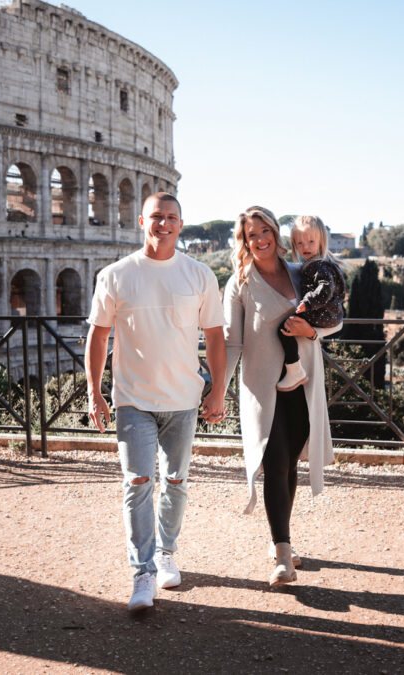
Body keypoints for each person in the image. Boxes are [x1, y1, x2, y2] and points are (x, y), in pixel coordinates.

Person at [85, 192, 226, 613]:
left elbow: (216, 336)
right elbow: (98, 336)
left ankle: (167, 552)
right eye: (156, 217)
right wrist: (95, 392)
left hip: (184, 398)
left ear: (181, 224)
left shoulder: (200, 275)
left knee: (177, 481)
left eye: (171, 217)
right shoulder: (116, 275)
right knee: (137, 482)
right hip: (133, 399)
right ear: (142, 222)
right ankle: (142, 572)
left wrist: (217, 389)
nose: (164, 224)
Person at [222, 206, 341, 586]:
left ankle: (282, 542)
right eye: (250, 235)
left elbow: (335, 320)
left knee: (289, 466)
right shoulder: (239, 282)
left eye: (264, 231)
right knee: (273, 463)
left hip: (303, 387)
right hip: (262, 389)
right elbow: (231, 343)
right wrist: (217, 392)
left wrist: (310, 332)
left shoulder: (301, 272)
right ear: (243, 241)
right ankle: (282, 555)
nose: (259, 239)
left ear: (275, 233)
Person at [275, 216, 345, 392]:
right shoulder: (323, 264)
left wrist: (308, 302)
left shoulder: (317, 266)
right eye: (300, 243)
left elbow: (325, 287)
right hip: (332, 315)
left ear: (321, 241)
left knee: (284, 328)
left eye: (311, 242)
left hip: (321, 314)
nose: (305, 247)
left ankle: (294, 370)